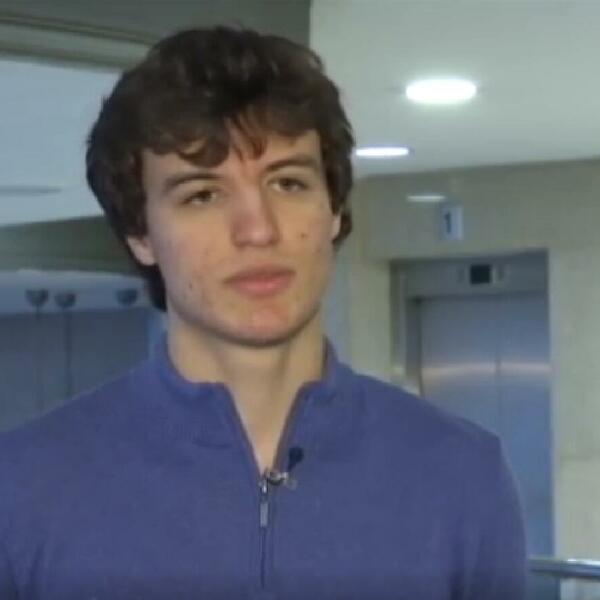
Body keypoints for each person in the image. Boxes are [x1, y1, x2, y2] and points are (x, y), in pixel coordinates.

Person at [0, 26, 526, 599]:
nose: (258, 229)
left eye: (288, 183)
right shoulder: (25, 487)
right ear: (140, 235)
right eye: (203, 194)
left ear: (333, 210)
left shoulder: (460, 474)